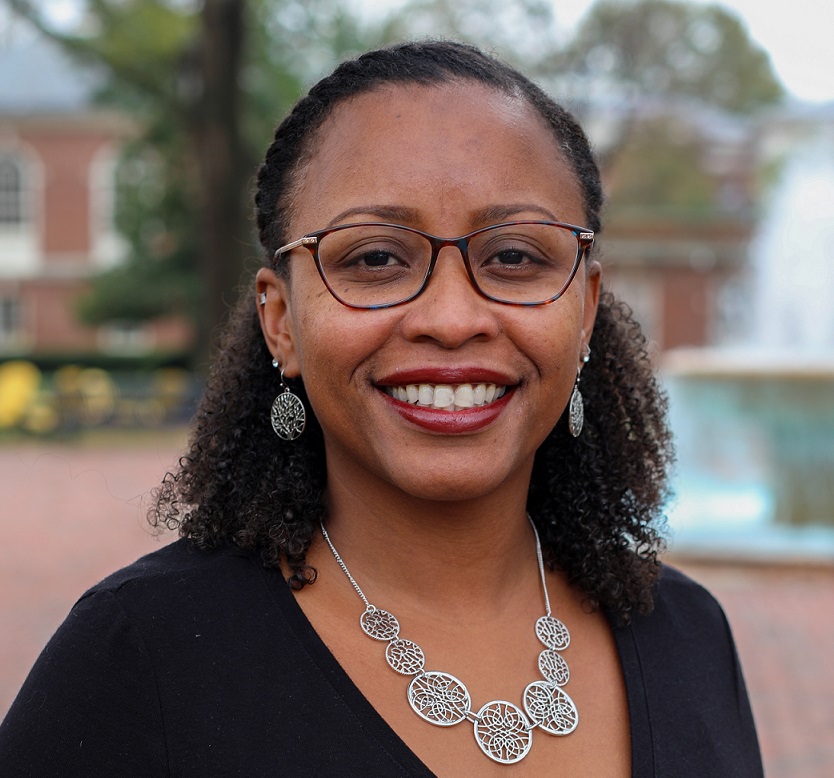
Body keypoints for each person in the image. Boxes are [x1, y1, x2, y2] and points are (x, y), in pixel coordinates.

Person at [0, 41, 762, 776]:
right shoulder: (139, 657)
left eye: (515, 256)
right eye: (374, 259)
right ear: (281, 320)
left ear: (586, 307)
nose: (454, 318)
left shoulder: (686, 636)